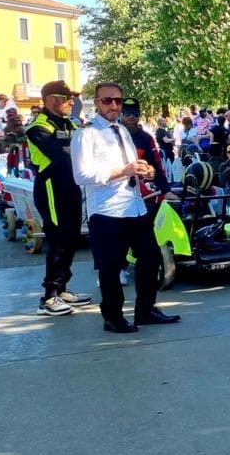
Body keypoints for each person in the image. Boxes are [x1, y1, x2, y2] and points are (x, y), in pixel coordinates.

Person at [72, 81, 181, 334]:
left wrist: (146, 170)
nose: (114, 106)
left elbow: (133, 165)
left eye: (118, 101)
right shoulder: (86, 133)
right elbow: (82, 175)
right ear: (97, 103)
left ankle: (145, 309)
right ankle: (113, 316)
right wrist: (124, 170)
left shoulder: (122, 130)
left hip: (134, 205)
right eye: (107, 101)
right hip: (107, 210)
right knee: (111, 265)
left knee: (151, 257)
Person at [25, 81, 91, 315]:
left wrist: (71, 151)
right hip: (51, 186)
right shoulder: (38, 127)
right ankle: (48, 297)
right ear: (51, 100)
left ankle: (62, 289)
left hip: (71, 185)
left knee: (73, 237)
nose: (72, 103)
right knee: (59, 238)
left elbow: (81, 151)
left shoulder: (69, 123)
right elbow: (60, 155)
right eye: (67, 98)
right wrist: (71, 151)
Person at [120, 99, 176, 204]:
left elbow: (157, 167)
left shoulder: (146, 138)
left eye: (135, 113)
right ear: (120, 114)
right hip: (109, 195)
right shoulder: (108, 134)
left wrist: (166, 191)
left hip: (136, 191)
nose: (131, 116)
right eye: (127, 112)